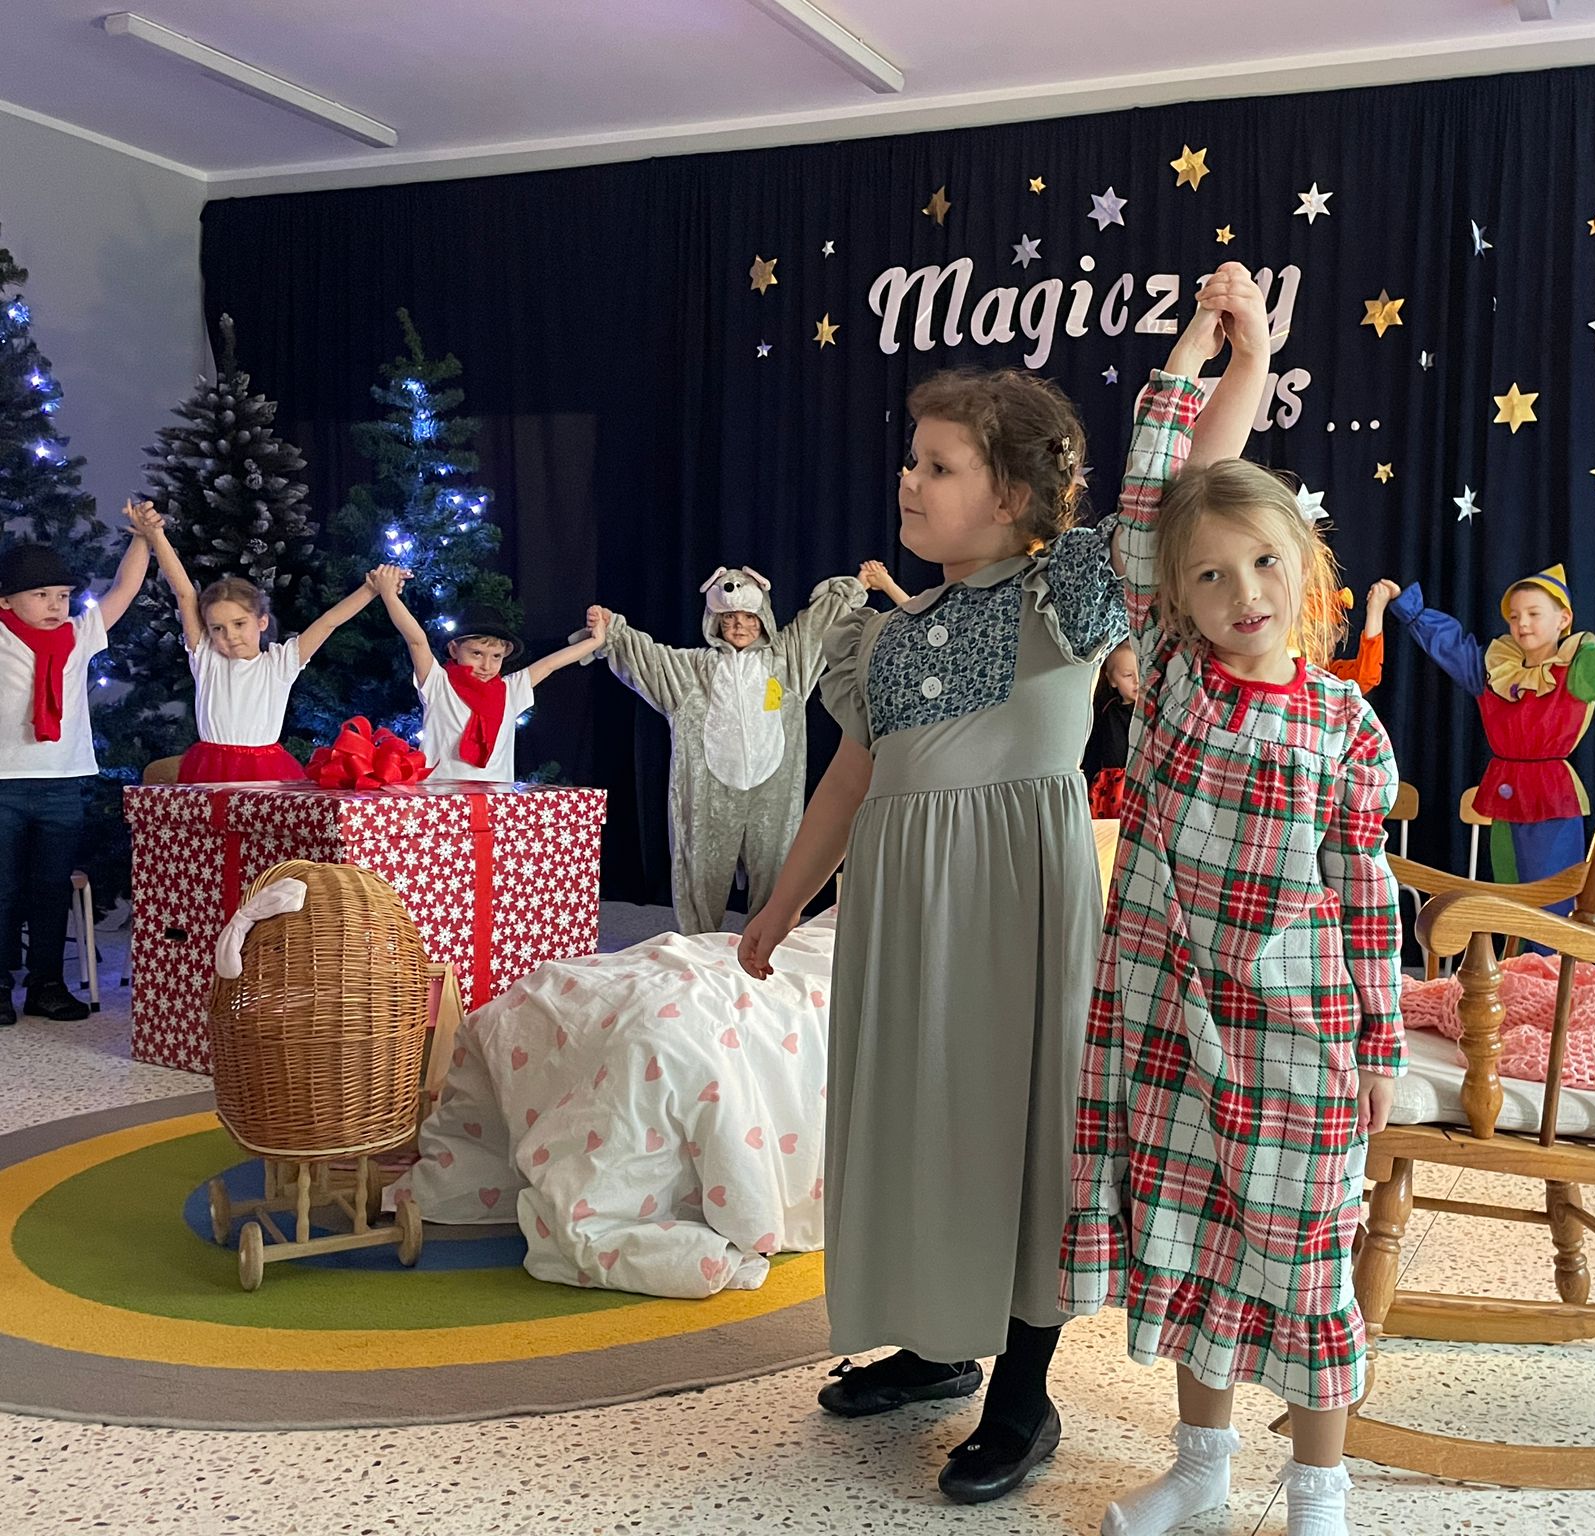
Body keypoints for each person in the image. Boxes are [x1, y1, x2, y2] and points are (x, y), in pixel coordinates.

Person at [737, 364, 1125, 1504]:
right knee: (916, 1118)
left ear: (1012, 496)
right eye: (912, 460)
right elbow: (849, 783)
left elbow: (1173, 485)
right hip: (904, 910)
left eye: (939, 466)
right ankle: (936, 1342)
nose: (908, 480)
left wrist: (1230, 361)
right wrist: (779, 907)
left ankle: (1025, 1391)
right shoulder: (888, 638)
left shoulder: (1065, 598)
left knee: (1019, 1132)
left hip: (1016, 905)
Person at [1061, 265, 1402, 1536]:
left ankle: (1319, 1489)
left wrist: (1376, 1041)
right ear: (1174, 595)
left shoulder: (1342, 723)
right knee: (1190, 1238)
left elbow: (1363, 898)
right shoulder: (1168, 671)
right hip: (1165, 1016)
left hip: (1295, 1032)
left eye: (1262, 563)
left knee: (1303, 1257)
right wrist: (1206, 349)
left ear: (1301, 564)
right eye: (1207, 578)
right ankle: (1199, 1468)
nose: (1241, 594)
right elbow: (1150, 493)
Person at [1380, 564, 1595, 898]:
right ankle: (1512, 936)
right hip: (1505, 794)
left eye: (1533, 613)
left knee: (1552, 897)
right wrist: (1409, 607)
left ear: (1563, 619)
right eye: (1514, 616)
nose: (1522, 623)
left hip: (1552, 799)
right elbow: (1450, 646)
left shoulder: (1577, 671)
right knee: (1507, 896)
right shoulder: (1494, 670)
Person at [592, 563, 877, 935]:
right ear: (716, 621)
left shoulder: (787, 661)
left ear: (763, 619)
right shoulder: (694, 670)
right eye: (729, 618)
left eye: (748, 617)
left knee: (777, 865)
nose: (739, 625)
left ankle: (767, 938)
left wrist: (853, 587)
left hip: (772, 794)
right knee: (700, 869)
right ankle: (699, 942)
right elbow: (651, 659)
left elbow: (815, 626)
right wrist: (613, 630)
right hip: (710, 796)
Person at [0, 510, 154, 1024]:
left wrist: (142, 538)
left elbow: (125, 589)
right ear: (6, 601)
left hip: (61, 782)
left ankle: (46, 984)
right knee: (3, 887)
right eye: (42, 595)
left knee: (51, 886)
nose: (56, 605)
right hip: (3, 783)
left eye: (63, 596)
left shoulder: (78, 635)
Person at [129, 498, 381, 782]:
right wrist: (156, 535)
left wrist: (371, 589)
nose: (230, 636)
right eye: (218, 628)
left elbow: (328, 622)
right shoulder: (206, 657)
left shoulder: (280, 663)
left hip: (265, 769)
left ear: (261, 622)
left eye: (239, 624)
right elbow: (185, 593)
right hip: (210, 767)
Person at [369, 567, 602, 782]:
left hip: (494, 804)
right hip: (439, 801)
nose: (486, 665)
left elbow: (550, 664)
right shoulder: (438, 683)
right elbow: (417, 641)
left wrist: (596, 641)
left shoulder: (511, 690)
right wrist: (389, 595)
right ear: (454, 650)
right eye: (477, 653)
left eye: (496, 656)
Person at [1081, 639, 1140, 819]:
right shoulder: (1106, 711)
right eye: (1128, 675)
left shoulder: (1151, 709)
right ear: (1112, 680)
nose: (1137, 681)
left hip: (1138, 781)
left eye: (1141, 671)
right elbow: (1094, 752)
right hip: (1109, 788)